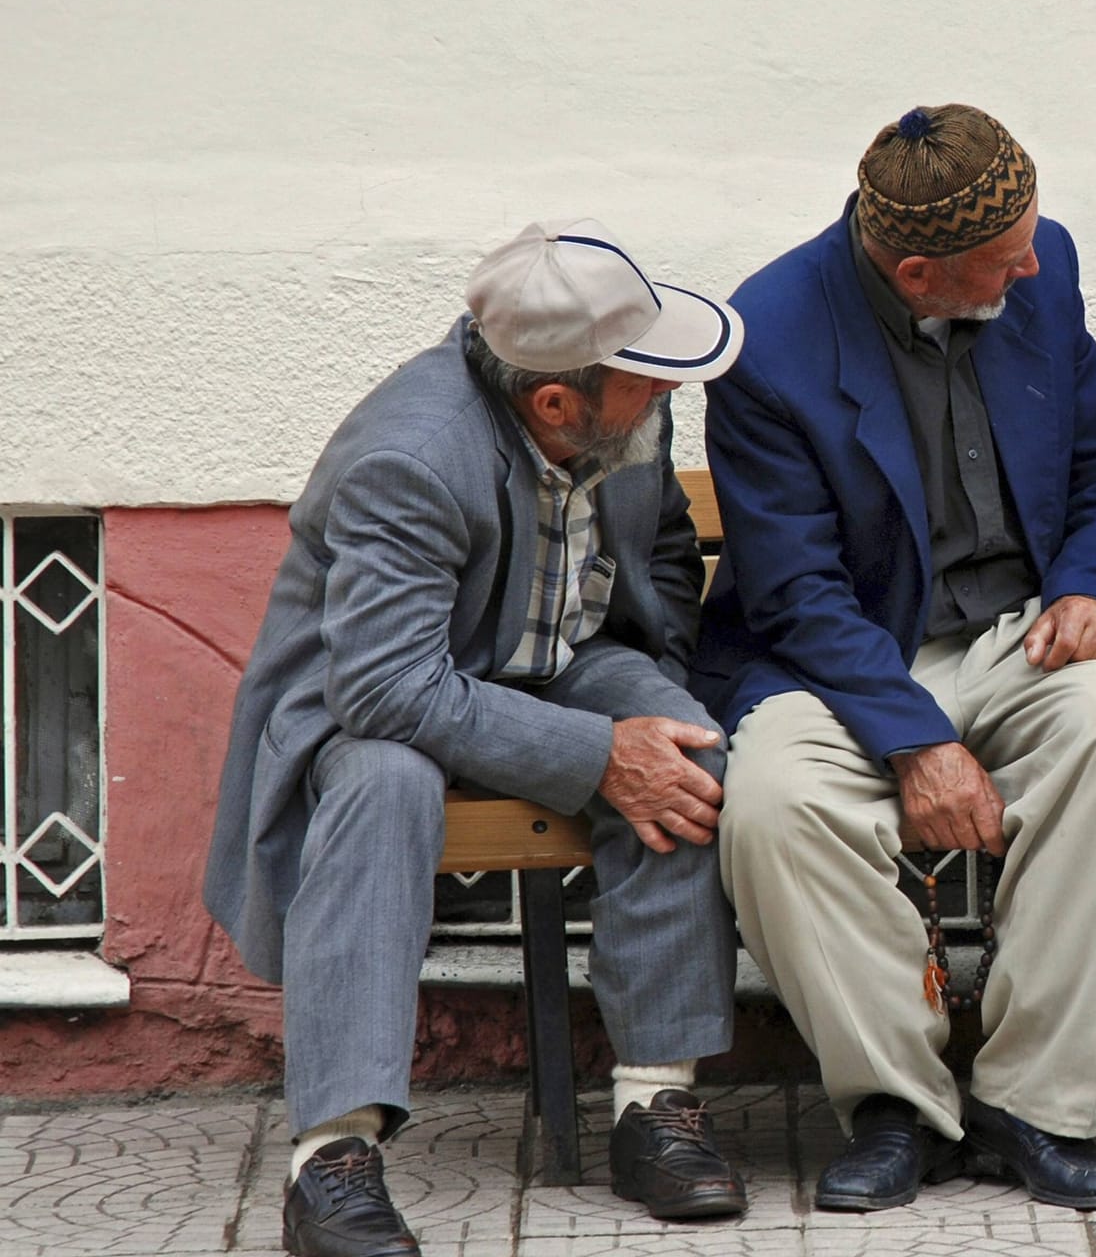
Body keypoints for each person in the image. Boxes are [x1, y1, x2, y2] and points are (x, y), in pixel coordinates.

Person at [205, 220, 751, 1256]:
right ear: (556, 400)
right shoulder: (411, 456)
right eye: (648, 380)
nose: (668, 394)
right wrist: (597, 755)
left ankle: (654, 1106)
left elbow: (666, 551)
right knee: (384, 787)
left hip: (556, 657)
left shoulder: (618, 407)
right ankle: (332, 1158)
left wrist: (650, 676)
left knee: (680, 743)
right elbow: (384, 684)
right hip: (378, 699)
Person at [692, 104, 1096, 1213]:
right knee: (770, 801)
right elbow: (796, 590)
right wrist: (917, 740)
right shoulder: (768, 337)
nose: (1035, 266)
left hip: (1017, 628)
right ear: (916, 270)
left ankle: (1037, 1102)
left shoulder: (1042, 274)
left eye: (1033, 241)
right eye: (1007, 260)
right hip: (846, 650)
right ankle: (897, 1104)